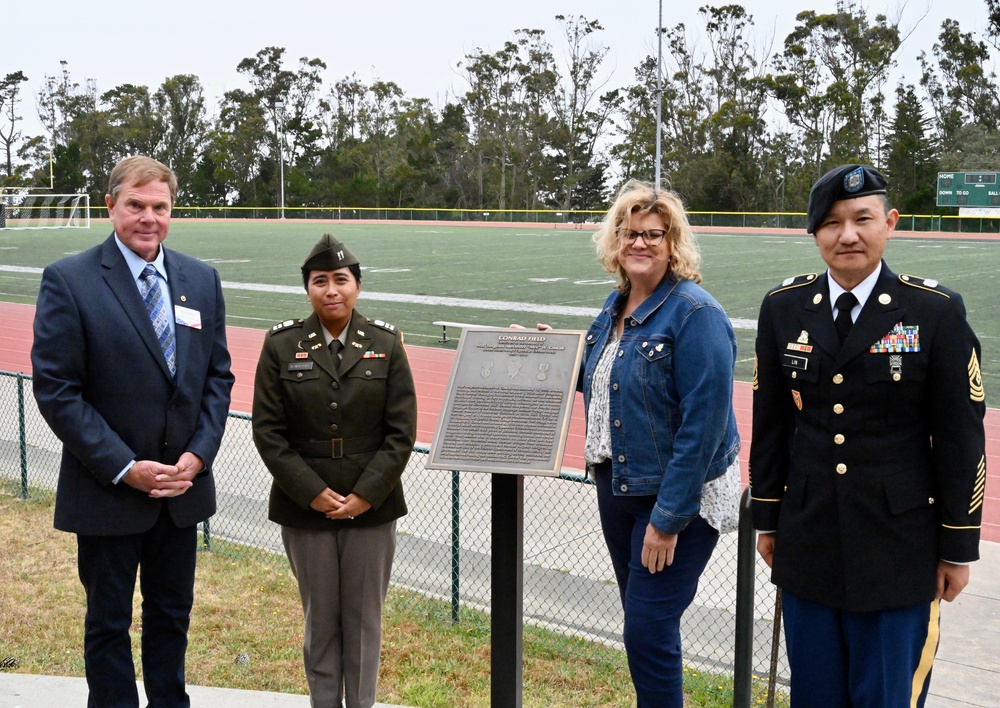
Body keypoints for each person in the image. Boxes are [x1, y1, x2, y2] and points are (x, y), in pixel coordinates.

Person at [750, 164, 987, 707]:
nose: (848, 234)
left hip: (898, 552)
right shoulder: (783, 308)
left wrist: (957, 546)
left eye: (862, 218)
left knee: (884, 697)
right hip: (809, 542)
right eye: (831, 223)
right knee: (815, 696)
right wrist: (768, 518)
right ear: (814, 233)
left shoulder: (934, 312)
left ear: (890, 223)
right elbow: (771, 425)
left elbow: (960, 440)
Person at [30, 155, 234, 707]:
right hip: (109, 490)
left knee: (172, 616)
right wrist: (125, 467)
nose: (149, 218)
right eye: (136, 205)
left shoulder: (200, 279)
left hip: (180, 491)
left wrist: (198, 455)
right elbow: (57, 389)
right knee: (108, 622)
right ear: (111, 206)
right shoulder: (70, 281)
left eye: (160, 207)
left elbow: (217, 377)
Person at [579, 180, 741, 707]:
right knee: (647, 623)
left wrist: (668, 519)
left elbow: (705, 424)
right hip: (617, 486)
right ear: (615, 242)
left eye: (654, 234)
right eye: (631, 234)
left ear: (673, 244)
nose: (641, 244)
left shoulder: (696, 314)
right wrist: (539, 354)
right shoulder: (613, 308)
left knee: (645, 628)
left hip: (674, 498)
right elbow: (605, 382)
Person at [252, 233, 417, 708]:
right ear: (307, 288)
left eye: (340, 280)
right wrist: (312, 493)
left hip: (372, 506)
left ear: (357, 286)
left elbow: (400, 432)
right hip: (306, 509)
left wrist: (367, 494)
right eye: (320, 281)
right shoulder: (282, 344)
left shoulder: (386, 343)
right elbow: (268, 432)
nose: (331, 290)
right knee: (320, 619)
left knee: (364, 622)